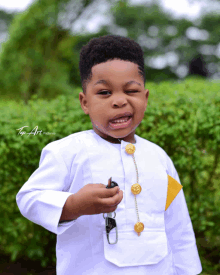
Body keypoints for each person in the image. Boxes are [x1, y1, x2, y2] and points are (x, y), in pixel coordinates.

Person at [16, 35, 202, 275]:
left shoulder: (159, 157)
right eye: (104, 92)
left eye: (131, 90)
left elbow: (177, 224)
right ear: (85, 102)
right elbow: (29, 198)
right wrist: (73, 205)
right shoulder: (68, 152)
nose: (119, 101)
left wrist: (188, 271)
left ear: (145, 98)